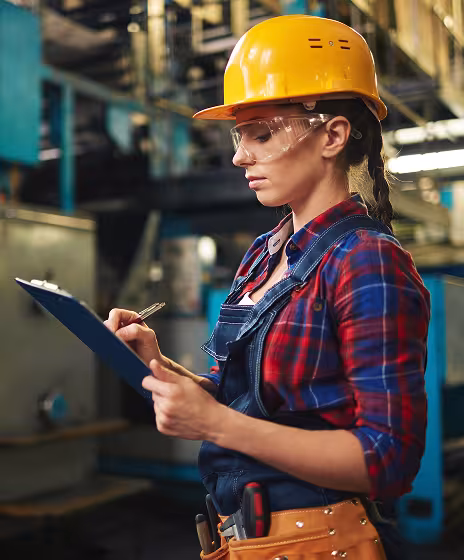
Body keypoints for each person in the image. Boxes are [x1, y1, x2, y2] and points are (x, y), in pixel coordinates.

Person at [105, 15, 430, 560]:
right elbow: (246, 404)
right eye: (239, 137)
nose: (239, 156)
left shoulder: (367, 262)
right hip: (245, 538)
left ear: (332, 135)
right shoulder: (264, 252)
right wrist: (159, 366)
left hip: (320, 542)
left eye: (262, 133)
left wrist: (215, 423)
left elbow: (389, 458)